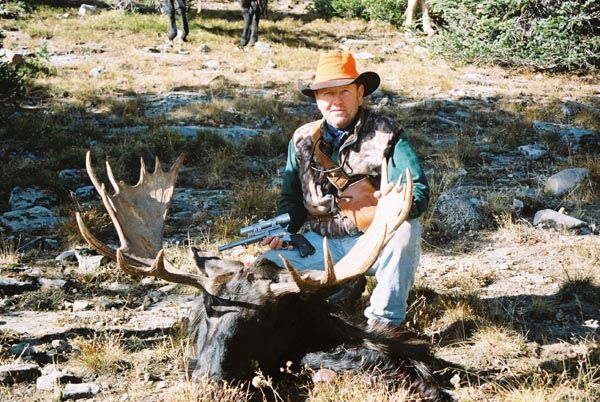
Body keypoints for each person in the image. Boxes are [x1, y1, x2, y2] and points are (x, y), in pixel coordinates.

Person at [260, 52, 429, 330]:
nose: (336, 101)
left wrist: (392, 206)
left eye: (344, 92)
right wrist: (284, 230)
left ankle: (385, 324)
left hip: (372, 240)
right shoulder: (301, 139)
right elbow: (291, 200)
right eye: (327, 93)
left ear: (360, 93)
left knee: (406, 232)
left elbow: (418, 190)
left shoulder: (387, 134)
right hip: (319, 241)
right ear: (317, 99)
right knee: (264, 267)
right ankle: (337, 292)